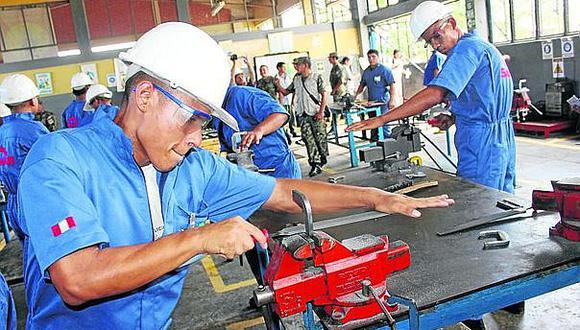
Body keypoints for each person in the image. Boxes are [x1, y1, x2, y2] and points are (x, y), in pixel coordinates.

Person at [16, 23, 453, 329]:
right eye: (191, 120)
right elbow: (78, 279)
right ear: (145, 95)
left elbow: (283, 192)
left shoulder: (191, 168)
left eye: (203, 125)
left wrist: (374, 197)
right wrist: (201, 237)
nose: (195, 137)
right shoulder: (59, 159)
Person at [348, 1, 515, 195]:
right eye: (430, 42)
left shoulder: (465, 49)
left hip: (481, 142)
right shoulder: (481, 46)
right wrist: (454, 118)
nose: (435, 45)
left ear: (452, 23)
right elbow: (486, 97)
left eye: (437, 36)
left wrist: (382, 119)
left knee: (479, 200)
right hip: (501, 136)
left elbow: (435, 94)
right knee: (504, 199)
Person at [0, 74, 49, 240]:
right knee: (42, 249)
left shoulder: (2, 130)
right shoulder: (33, 129)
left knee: (27, 246)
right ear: (33, 101)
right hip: (33, 200)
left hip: (12, 202)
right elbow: (52, 163)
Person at [216, 85, 301, 179]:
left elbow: (280, 115)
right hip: (252, 175)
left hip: (279, 169)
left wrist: (258, 131)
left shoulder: (242, 95)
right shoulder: (217, 110)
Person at [276, 56, 329, 177]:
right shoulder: (296, 78)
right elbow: (286, 92)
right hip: (303, 114)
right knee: (307, 139)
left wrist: (321, 112)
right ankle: (315, 163)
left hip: (315, 112)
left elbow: (324, 95)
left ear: (305, 65)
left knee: (320, 138)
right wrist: (278, 85)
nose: (295, 67)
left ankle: (322, 157)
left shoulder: (316, 77)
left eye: (297, 64)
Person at [354, 49, 396, 140]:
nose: (371, 59)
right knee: (372, 124)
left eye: (373, 57)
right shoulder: (366, 72)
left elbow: (392, 85)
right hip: (371, 103)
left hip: (383, 102)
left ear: (378, 57)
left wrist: (392, 100)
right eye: (369, 57)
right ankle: (374, 145)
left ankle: (387, 144)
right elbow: (362, 85)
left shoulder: (384, 70)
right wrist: (355, 96)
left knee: (384, 124)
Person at [275, 61, 298, 138]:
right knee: (285, 116)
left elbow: (293, 88)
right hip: (282, 100)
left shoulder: (289, 76)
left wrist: (293, 99)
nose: (284, 68)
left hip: (290, 98)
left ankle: (293, 130)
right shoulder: (276, 78)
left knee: (292, 115)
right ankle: (287, 132)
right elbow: (278, 90)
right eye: (283, 67)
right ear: (279, 68)